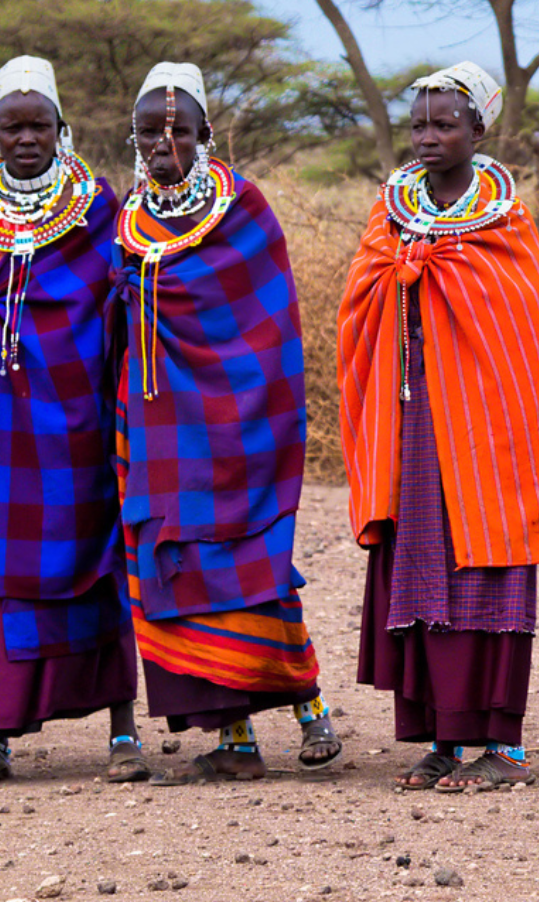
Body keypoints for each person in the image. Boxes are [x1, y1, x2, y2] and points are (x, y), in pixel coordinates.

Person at [337, 61, 539, 794]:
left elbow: (515, 317)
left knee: (488, 567)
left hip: (489, 423)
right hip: (410, 420)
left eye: (444, 124)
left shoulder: (506, 218)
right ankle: (439, 739)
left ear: (479, 129)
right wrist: (405, 269)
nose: (427, 137)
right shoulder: (390, 212)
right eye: (419, 124)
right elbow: (361, 297)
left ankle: (503, 745)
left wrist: (431, 270)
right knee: (419, 566)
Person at [112, 62, 341, 784]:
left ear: (207, 134)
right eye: (150, 131)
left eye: (179, 130)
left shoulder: (243, 209)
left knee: (252, 563)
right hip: (156, 424)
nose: (163, 143)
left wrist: (236, 397)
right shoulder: (126, 217)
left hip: (238, 417)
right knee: (176, 567)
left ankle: (311, 707)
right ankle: (234, 736)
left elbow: (266, 325)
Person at [0, 56, 147, 787]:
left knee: (93, 552)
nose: (26, 138)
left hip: (76, 409)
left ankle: (122, 729)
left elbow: (106, 304)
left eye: (39, 125)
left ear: (63, 131)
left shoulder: (96, 211)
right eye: (12, 126)